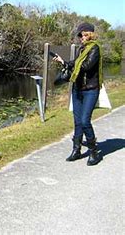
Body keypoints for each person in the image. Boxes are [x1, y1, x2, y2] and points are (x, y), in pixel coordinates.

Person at [52, 22, 103, 166]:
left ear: (89, 34)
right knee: (77, 121)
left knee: (85, 120)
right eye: (79, 35)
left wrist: (73, 65)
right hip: (78, 88)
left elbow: (86, 66)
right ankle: (77, 150)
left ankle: (94, 152)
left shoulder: (94, 49)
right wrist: (63, 62)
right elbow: (74, 63)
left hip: (90, 90)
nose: (80, 37)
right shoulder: (82, 49)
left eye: (82, 35)